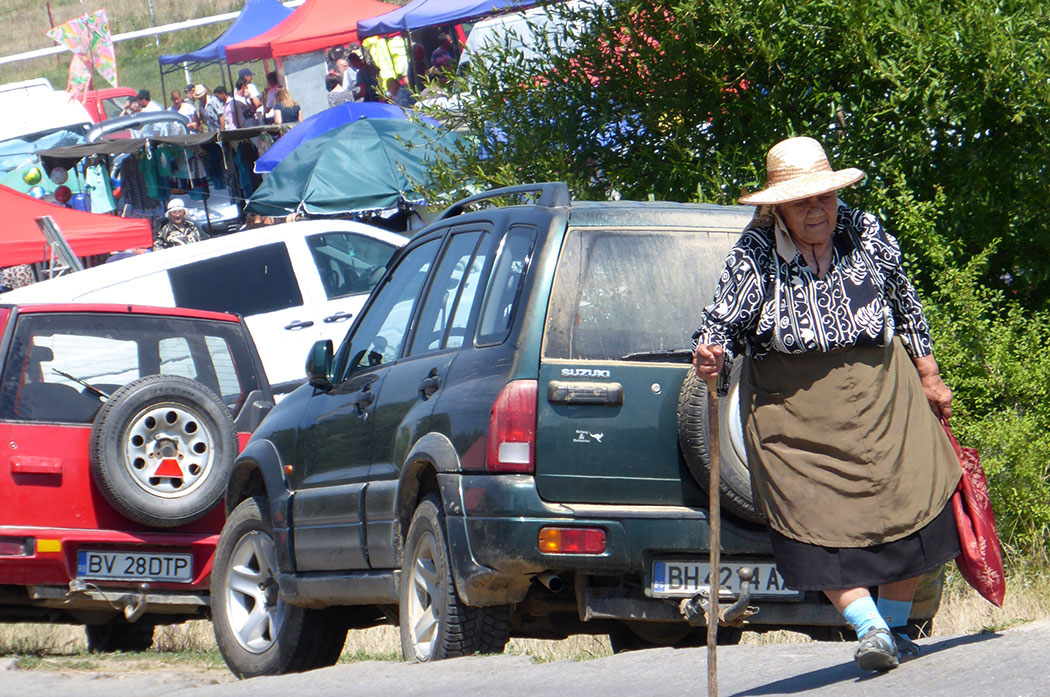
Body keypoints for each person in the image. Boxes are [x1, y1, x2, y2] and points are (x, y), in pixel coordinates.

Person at [691, 136, 960, 672]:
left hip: (886, 393)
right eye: (801, 201)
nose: (817, 210)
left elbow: (905, 303)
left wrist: (929, 374)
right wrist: (709, 354)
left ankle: (896, 627)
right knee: (809, 517)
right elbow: (719, 322)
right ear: (777, 207)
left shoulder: (866, 232)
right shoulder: (756, 253)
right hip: (795, 409)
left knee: (915, 503)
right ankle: (870, 628)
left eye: (825, 197)